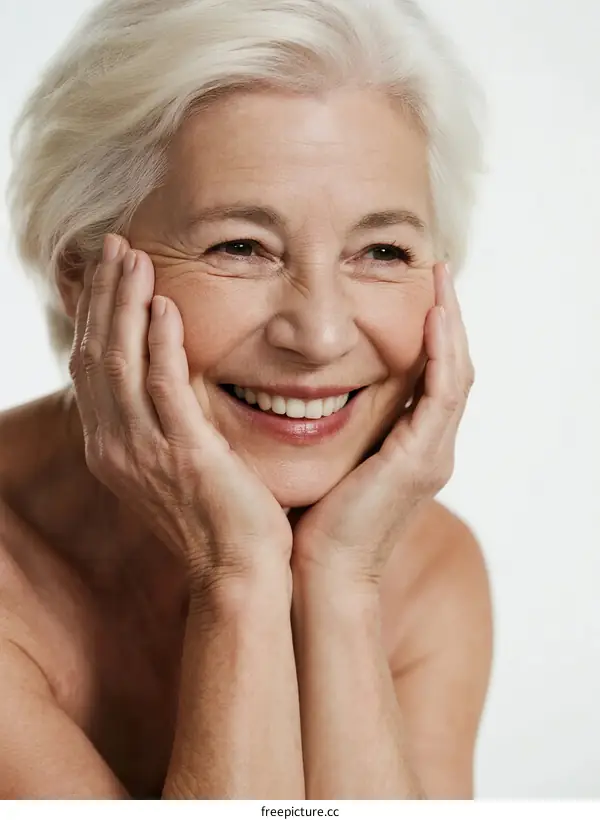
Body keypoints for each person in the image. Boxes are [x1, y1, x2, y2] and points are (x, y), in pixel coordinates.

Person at [0, 0, 493, 800]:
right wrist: (234, 576)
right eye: (242, 246)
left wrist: (340, 580)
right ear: (84, 274)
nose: (322, 333)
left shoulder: (424, 571)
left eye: (381, 250)